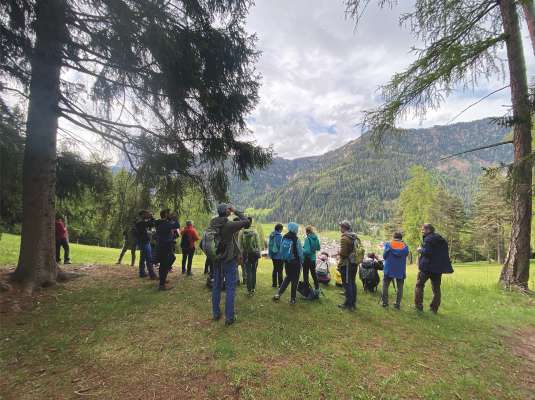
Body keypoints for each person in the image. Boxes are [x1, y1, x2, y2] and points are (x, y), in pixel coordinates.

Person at [210, 204, 251, 326]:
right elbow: (246, 221)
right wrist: (235, 211)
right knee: (230, 288)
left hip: (217, 258)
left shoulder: (213, 222)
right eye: (228, 208)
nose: (230, 209)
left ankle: (216, 313)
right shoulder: (229, 225)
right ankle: (229, 317)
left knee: (216, 286)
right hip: (228, 259)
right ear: (227, 211)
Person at [415, 223, 454, 313]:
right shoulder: (441, 239)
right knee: (436, 289)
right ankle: (434, 309)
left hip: (426, 268)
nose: (422, 231)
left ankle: (418, 306)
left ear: (428, 230)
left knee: (419, 285)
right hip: (437, 269)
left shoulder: (428, 239)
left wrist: (420, 250)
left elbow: (428, 252)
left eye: (423, 229)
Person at [273, 222, 303, 305]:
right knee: (295, 281)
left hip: (287, 262)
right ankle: (292, 299)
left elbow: (281, 249)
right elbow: (300, 253)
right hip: (296, 263)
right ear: (295, 229)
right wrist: (302, 262)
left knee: (287, 278)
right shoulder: (296, 239)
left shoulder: (284, 237)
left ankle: (278, 294)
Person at [381, 232, 409, 309]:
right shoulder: (405, 246)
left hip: (389, 268)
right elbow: (406, 254)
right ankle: (397, 304)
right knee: (400, 287)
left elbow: (384, 256)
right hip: (400, 269)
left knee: (385, 285)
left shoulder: (388, 244)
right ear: (401, 238)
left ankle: (385, 303)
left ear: (393, 237)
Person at [155, 209, 180, 290]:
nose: (170, 214)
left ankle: (162, 279)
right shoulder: (165, 223)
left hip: (162, 245)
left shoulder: (159, 222)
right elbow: (177, 225)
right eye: (168, 213)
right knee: (164, 264)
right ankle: (161, 285)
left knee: (168, 261)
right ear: (165, 215)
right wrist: (174, 218)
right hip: (165, 246)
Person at [338, 220, 360, 311]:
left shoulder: (344, 238)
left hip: (347, 264)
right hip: (354, 263)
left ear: (343, 228)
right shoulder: (354, 237)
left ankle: (348, 304)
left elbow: (343, 254)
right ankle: (353, 303)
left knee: (347, 284)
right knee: (352, 283)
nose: (340, 228)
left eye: (341, 227)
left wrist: (339, 253)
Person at [239, 219, 261, 296]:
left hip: (246, 254)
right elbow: (258, 244)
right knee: (254, 271)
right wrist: (259, 253)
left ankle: (249, 290)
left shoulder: (241, 233)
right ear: (250, 223)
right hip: (254, 254)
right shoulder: (254, 232)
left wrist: (240, 255)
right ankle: (253, 288)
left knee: (248, 272)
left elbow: (240, 246)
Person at [135, 210, 157, 279]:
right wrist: (151, 217)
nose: (147, 215)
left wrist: (151, 218)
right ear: (142, 215)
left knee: (143, 258)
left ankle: (142, 273)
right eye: (146, 214)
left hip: (144, 242)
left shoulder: (141, 222)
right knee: (149, 259)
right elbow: (151, 223)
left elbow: (152, 224)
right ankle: (152, 275)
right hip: (144, 243)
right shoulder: (140, 223)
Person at [302, 226, 321, 293]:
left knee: (305, 274)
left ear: (307, 231)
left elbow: (307, 251)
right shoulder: (316, 238)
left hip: (307, 259)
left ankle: (306, 290)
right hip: (313, 259)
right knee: (314, 274)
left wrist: (302, 249)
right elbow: (318, 248)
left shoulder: (307, 239)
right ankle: (317, 288)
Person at [268, 224, 284, 288]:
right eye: (281, 229)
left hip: (273, 255)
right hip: (279, 256)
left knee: (275, 269)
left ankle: (274, 284)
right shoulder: (279, 236)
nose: (282, 230)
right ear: (279, 229)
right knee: (280, 270)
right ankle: (280, 284)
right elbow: (281, 246)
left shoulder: (272, 235)